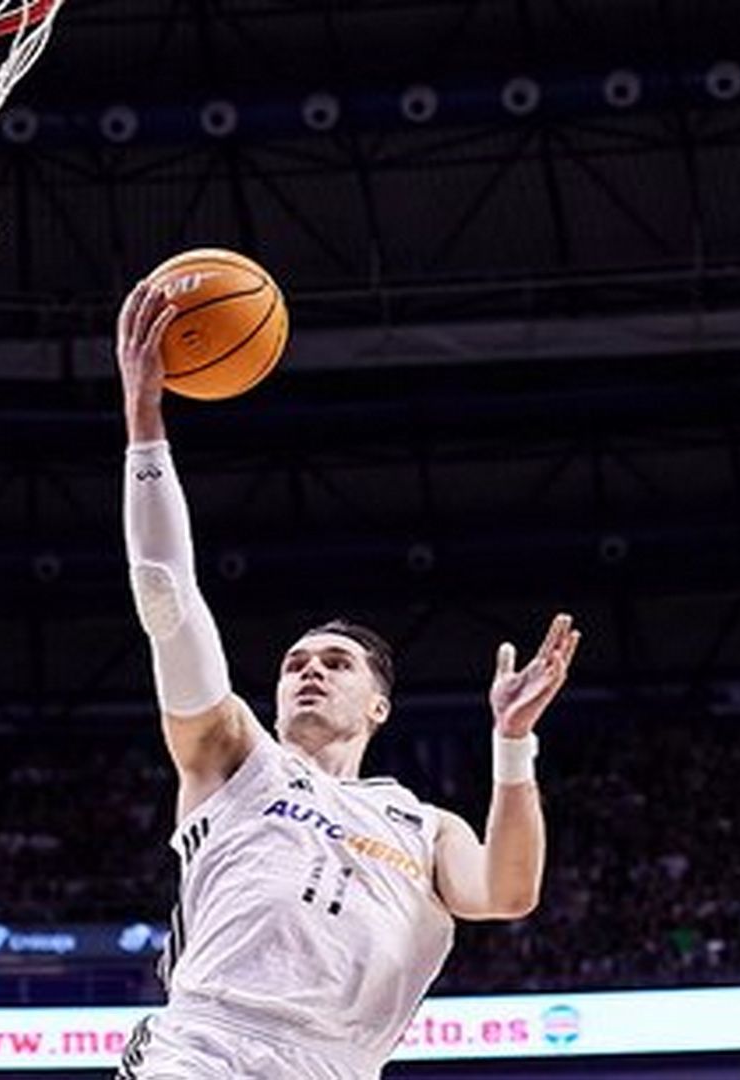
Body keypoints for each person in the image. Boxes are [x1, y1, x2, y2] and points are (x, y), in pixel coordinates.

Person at [111, 281, 582, 1080]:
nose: (309, 672)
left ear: (379, 705)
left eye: (335, 664)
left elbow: (507, 893)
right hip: (203, 1050)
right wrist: (145, 421)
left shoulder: (425, 827)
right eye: (295, 663)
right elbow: (167, 591)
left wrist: (513, 743)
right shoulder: (236, 761)